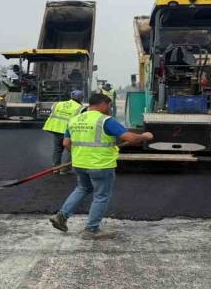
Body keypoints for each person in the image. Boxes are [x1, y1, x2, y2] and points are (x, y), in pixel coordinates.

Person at [48, 93, 152, 240]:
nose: (110, 108)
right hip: (101, 165)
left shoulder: (74, 120)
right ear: (103, 104)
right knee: (101, 196)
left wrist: (81, 153)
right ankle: (91, 230)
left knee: (83, 188)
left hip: (79, 164)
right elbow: (131, 138)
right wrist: (145, 136)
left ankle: (61, 216)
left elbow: (66, 144)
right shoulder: (106, 121)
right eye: (109, 105)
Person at [41, 90, 84, 173]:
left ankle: (55, 168)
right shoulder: (80, 108)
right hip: (68, 131)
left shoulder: (59, 104)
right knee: (71, 149)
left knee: (57, 149)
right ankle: (65, 169)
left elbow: (52, 111)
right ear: (81, 98)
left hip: (56, 129)